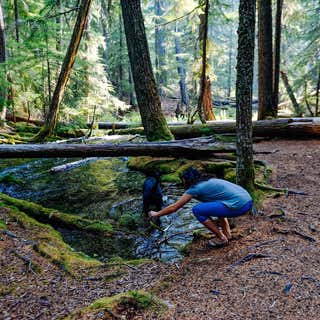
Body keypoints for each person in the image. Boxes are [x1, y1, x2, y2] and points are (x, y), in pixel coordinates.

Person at [148, 167, 253, 247]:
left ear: (187, 180)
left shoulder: (195, 188)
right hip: (247, 200)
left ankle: (221, 238)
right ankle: (227, 235)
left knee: (197, 210)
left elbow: (174, 207)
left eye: (183, 180)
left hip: (240, 205)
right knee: (215, 207)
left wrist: (157, 213)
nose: (182, 183)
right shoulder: (208, 180)